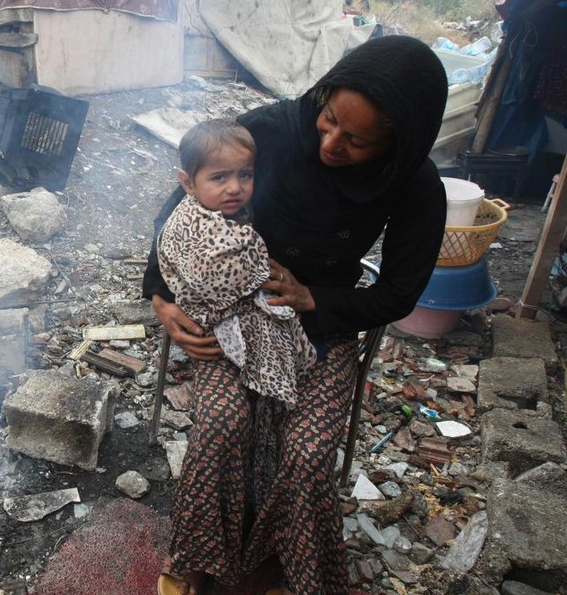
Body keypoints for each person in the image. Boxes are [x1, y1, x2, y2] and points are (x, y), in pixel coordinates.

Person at [144, 35, 448, 595]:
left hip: (319, 327)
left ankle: (292, 569)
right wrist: (161, 296)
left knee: (308, 455)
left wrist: (316, 299)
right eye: (329, 120)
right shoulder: (276, 127)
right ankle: (199, 561)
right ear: (322, 96)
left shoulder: (415, 184)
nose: (330, 142)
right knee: (220, 425)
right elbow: (181, 211)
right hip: (231, 316)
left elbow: (400, 292)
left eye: (355, 141)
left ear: (396, 145)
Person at [156, 119, 316, 414]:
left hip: (235, 316)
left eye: (245, 175)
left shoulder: (224, 210)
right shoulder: (194, 225)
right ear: (188, 183)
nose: (235, 188)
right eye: (219, 177)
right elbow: (218, 282)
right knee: (231, 412)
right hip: (212, 328)